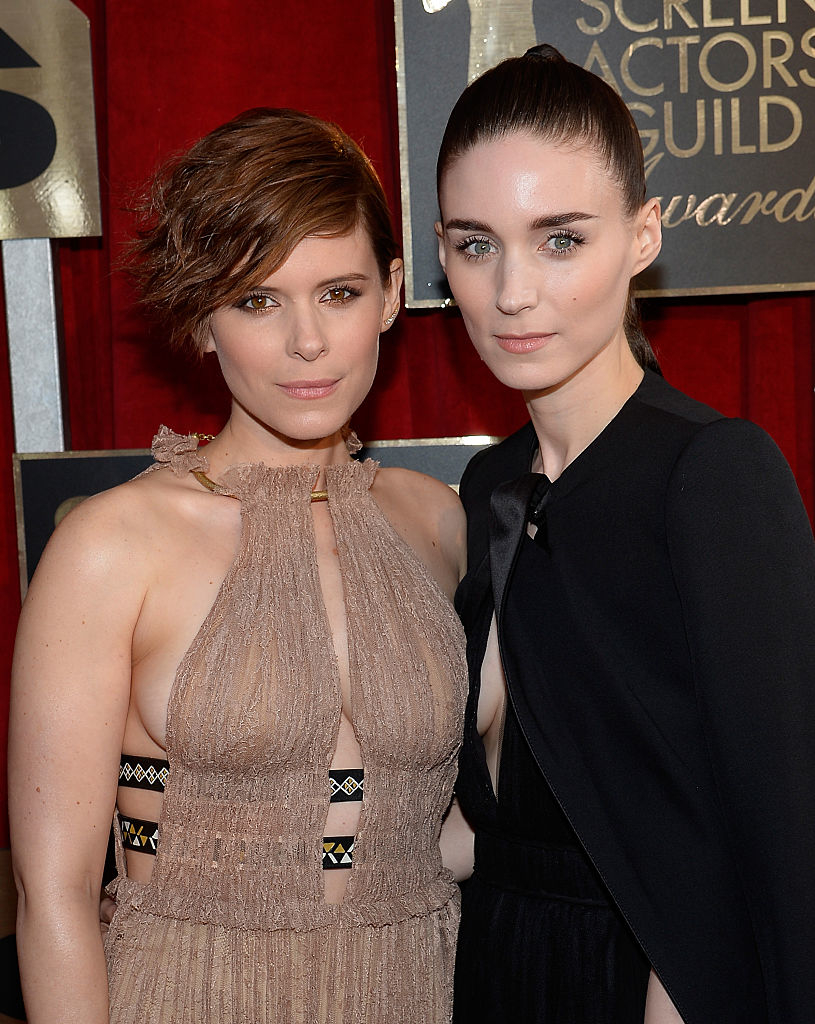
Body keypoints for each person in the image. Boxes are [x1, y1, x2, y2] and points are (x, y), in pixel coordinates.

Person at [9, 107, 468, 1024]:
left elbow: (458, 824)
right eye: (258, 300)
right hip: (184, 994)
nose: (307, 341)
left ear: (389, 293)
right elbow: (51, 894)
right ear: (202, 322)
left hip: (411, 987)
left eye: (337, 293)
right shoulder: (112, 544)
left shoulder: (438, 521)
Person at [435, 44, 815, 1024]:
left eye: (559, 238)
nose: (511, 290)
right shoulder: (487, 484)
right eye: (476, 244)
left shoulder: (711, 473)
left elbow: (779, 826)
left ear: (641, 235)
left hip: (655, 980)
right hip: (495, 964)